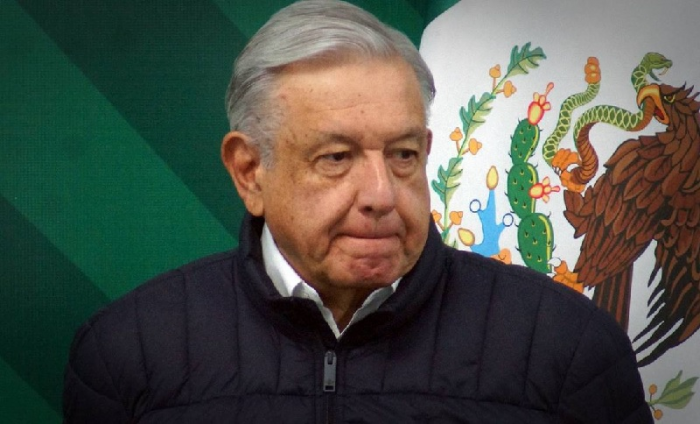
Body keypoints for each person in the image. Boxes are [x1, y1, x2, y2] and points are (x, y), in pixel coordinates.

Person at [63, 1, 653, 422]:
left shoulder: (569, 348)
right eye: (336, 157)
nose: (381, 194)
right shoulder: (129, 355)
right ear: (249, 171)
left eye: (402, 155)